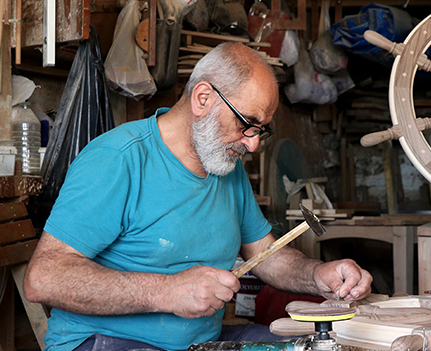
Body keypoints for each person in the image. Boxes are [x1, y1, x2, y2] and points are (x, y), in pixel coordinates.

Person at [23, 42, 373, 351]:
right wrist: (165, 291)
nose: (251, 144)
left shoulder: (226, 168)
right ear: (203, 98)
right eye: (246, 123)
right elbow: (44, 278)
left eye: (260, 130)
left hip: (203, 343)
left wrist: (317, 275)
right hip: (104, 342)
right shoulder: (118, 159)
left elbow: (266, 256)